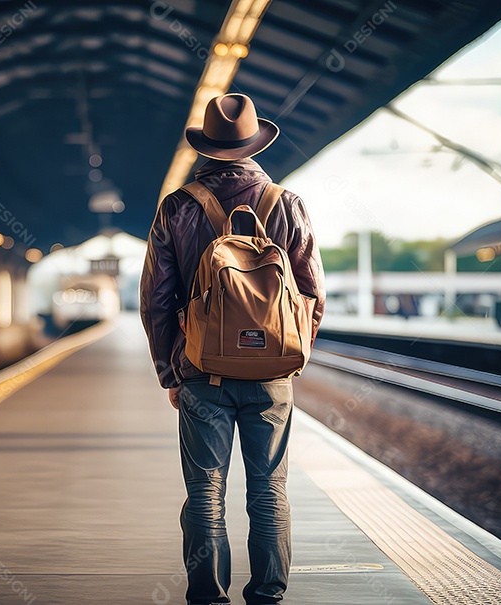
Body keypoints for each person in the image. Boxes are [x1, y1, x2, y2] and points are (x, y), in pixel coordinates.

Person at [140, 93, 325, 605]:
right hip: (271, 377)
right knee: (268, 492)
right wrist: (288, 356)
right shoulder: (286, 204)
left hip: (202, 372)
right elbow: (312, 292)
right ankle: (267, 595)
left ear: (205, 147)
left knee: (205, 494)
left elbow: (156, 301)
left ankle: (208, 596)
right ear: (254, 145)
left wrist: (169, 374)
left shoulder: (176, 208)